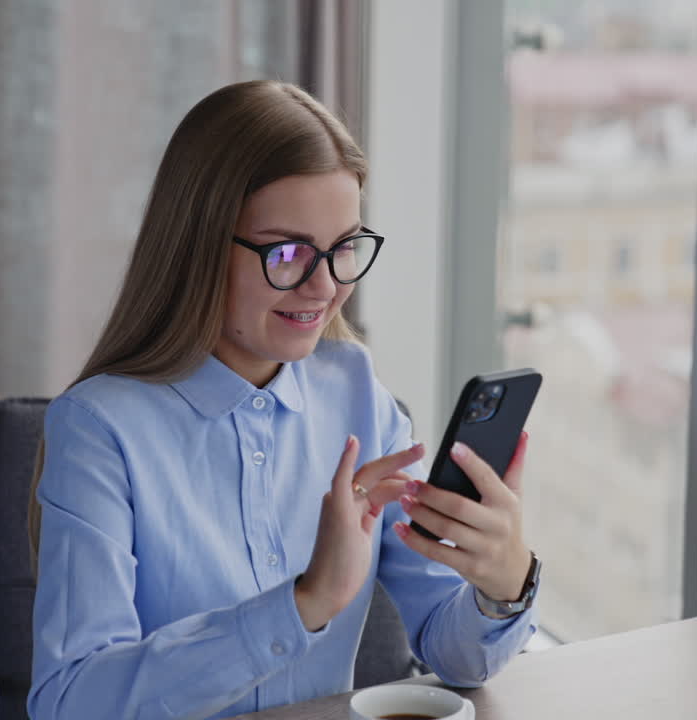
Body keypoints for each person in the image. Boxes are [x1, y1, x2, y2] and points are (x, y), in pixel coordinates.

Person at [27, 80, 540, 720]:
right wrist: (304, 604)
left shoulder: (358, 393)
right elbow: (69, 703)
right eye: (288, 251)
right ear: (198, 247)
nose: (324, 286)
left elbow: (454, 656)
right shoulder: (100, 429)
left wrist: (503, 585)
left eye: (344, 247)